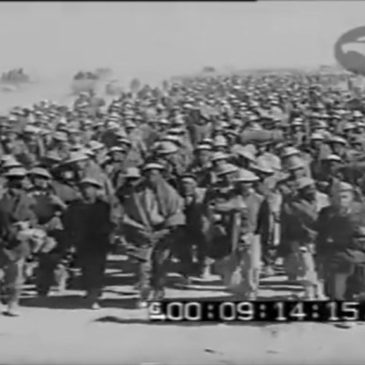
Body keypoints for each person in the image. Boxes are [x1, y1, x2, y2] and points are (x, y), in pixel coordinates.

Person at [122, 163, 185, 308]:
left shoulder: (170, 192)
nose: (152, 177)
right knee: (143, 266)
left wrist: (164, 231)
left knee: (160, 264)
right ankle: (144, 293)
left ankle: (158, 291)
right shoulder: (136, 193)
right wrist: (138, 228)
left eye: (155, 174)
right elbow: (129, 213)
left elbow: (176, 214)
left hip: (164, 231)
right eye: (149, 173)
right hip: (142, 231)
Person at [63, 178, 116, 309]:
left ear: (95, 190)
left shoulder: (103, 206)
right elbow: (68, 223)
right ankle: (91, 291)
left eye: (89, 188)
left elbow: (111, 223)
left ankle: (94, 293)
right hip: (82, 241)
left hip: (99, 241)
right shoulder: (74, 206)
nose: (86, 191)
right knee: (86, 268)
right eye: (84, 188)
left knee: (98, 268)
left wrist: (111, 238)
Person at [316, 182, 365, 300]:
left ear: (352, 196)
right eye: (337, 197)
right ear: (331, 198)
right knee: (338, 292)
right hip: (337, 254)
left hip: (359, 253)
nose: (341, 200)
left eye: (344, 197)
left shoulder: (361, 209)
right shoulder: (326, 213)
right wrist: (319, 255)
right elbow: (321, 235)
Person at [0, 167, 38, 316]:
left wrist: (27, 225)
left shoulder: (27, 199)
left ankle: (13, 303)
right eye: (14, 180)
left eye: (21, 180)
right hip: (2, 238)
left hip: (18, 241)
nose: (18, 183)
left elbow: (33, 218)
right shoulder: (1, 197)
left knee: (16, 275)